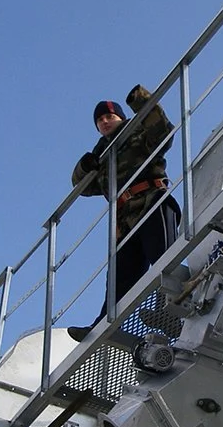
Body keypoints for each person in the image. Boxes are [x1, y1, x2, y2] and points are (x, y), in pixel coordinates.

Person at [67, 85, 181, 342]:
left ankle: (172, 311)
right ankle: (101, 325)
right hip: (125, 221)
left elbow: (163, 131)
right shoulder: (103, 156)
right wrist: (86, 165)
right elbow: (81, 187)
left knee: (163, 259)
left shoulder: (138, 134)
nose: (105, 122)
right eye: (100, 120)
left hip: (151, 202)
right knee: (119, 280)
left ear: (121, 118)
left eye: (110, 117)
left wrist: (140, 101)